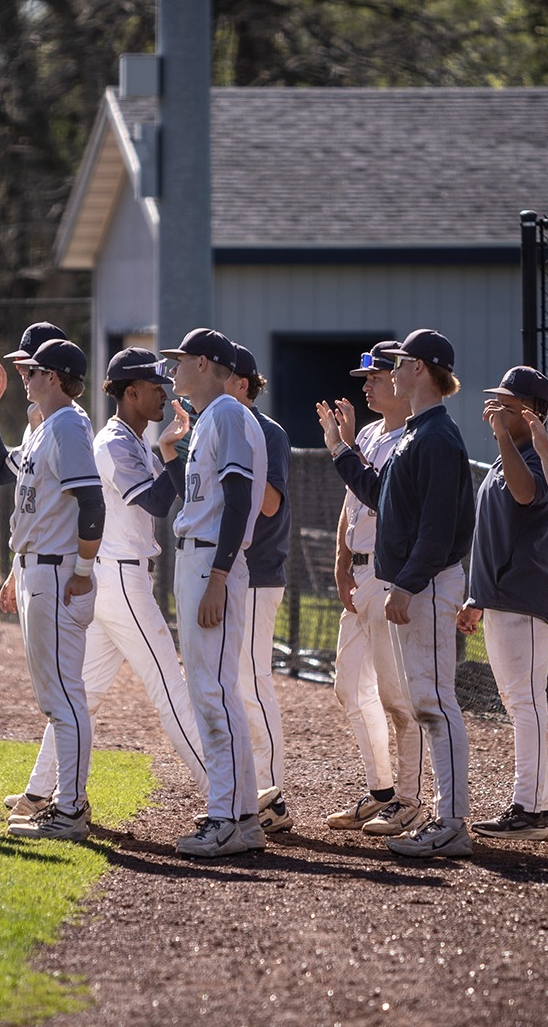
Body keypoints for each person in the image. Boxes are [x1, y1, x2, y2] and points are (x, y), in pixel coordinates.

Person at [1, 348, 207, 819]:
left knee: (80, 693)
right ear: (130, 392)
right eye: (155, 388)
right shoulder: (113, 442)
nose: (164, 393)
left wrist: (169, 451)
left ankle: (39, 792)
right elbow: (157, 502)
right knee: (170, 691)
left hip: (117, 578)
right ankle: (225, 798)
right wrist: (174, 452)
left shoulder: (134, 440)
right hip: (118, 579)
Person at [322, 328, 477, 859]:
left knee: (432, 702)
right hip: (417, 581)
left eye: (404, 361)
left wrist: (405, 585)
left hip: (428, 582)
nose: (393, 369)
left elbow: (438, 529)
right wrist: (342, 451)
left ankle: (451, 821)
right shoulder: (420, 433)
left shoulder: (436, 437)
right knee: (425, 701)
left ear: (423, 370)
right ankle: (443, 816)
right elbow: (378, 495)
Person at [0, 338, 105, 840]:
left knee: (65, 698)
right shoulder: (45, 427)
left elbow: (92, 503)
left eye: (32, 371)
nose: (25, 377)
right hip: (38, 571)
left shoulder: (69, 426)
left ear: (54, 377)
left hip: (56, 574)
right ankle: (64, 800)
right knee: (57, 697)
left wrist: (82, 568)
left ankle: (70, 810)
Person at [162, 327, 268, 857]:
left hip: (211, 560)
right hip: (200, 557)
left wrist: (220, 577)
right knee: (214, 690)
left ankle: (223, 816)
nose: (174, 368)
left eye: (180, 360)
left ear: (204, 363)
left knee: (212, 693)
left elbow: (237, 497)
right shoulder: (213, 418)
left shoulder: (226, 413)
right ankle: (244, 816)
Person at [458, 365, 548, 841]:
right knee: (518, 700)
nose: (495, 406)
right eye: (496, 399)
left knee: (526, 702)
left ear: (530, 411)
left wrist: (503, 435)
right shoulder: (512, 455)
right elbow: (493, 537)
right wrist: (476, 596)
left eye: (506, 401)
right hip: (501, 597)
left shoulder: (534, 458)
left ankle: (534, 808)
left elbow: (526, 496)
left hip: (523, 597)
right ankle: (532, 804)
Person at [325, 341, 423, 836]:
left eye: (376, 378)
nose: (366, 386)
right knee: (348, 686)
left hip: (390, 574)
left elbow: (380, 496)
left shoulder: (413, 436)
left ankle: (409, 799)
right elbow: (352, 501)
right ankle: (381, 790)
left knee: (397, 696)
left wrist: (344, 450)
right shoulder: (366, 431)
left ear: (402, 380)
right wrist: (342, 561)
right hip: (361, 572)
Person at [230, 343, 294, 836]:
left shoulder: (266, 432)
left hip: (258, 573)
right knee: (234, 682)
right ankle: (251, 784)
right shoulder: (222, 424)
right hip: (232, 573)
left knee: (253, 680)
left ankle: (270, 793)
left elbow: (269, 504)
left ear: (244, 383)